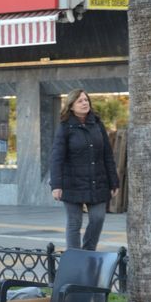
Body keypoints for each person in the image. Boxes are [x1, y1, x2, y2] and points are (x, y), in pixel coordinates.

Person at [49, 89, 119, 251]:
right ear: (71, 105)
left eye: (86, 100)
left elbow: (107, 154)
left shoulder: (97, 124)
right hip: (72, 182)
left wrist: (113, 181)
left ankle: (88, 252)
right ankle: (74, 256)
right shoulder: (65, 127)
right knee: (74, 222)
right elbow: (56, 157)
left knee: (98, 218)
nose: (84, 103)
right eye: (80, 101)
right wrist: (56, 185)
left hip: (98, 181)